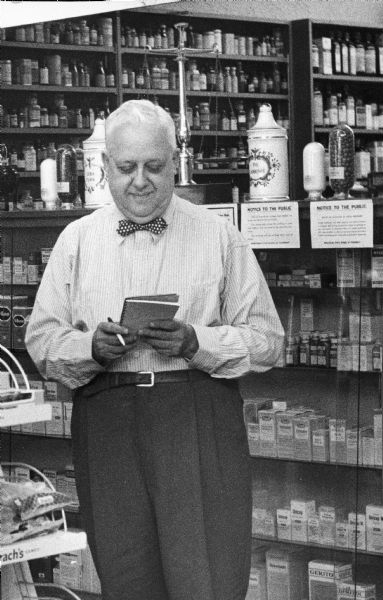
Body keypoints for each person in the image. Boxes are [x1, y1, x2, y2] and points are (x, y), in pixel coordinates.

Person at [25, 99, 284, 600]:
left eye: (154, 166)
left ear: (174, 159)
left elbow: (269, 342)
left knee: (204, 573)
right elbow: (41, 341)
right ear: (105, 168)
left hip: (195, 416)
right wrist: (89, 348)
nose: (139, 180)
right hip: (108, 424)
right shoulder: (76, 241)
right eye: (126, 168)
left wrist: (198, 341)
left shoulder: (219, 236)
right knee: (126, 577)